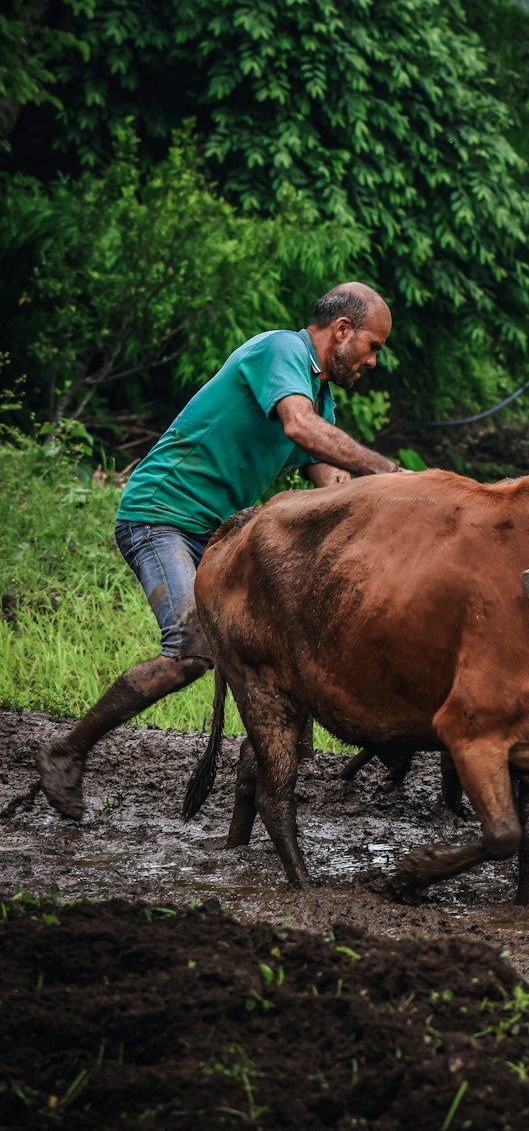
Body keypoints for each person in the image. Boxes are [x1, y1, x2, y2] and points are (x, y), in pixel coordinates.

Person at [37, 281, 405, 819]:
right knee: (190, 651)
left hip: (214, 535)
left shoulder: (318, 394)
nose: (373, 360)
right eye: (373, 346)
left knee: (283, 636)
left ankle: (277, 754)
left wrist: (395, 509)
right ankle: (67, 750)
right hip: (159, 516)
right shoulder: (282, 351)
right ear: (343, 330)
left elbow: (329, 483)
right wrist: (388, 471)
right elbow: (300, 429)